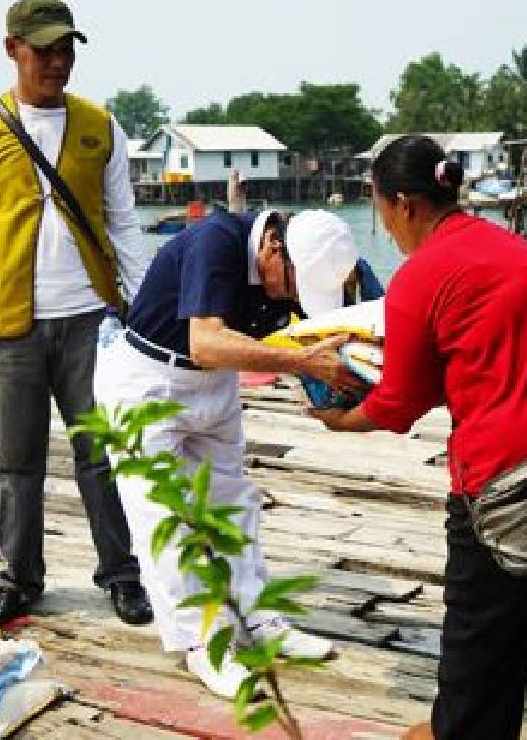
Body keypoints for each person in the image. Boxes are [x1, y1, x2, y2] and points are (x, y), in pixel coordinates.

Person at [313, 135, 527, 739]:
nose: (385, 228)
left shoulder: (420, 276)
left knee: (483, 649)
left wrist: (343, 418)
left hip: (516, 480)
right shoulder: (511, 247)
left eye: (381, 212)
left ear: (404, 204)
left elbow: (398, 403)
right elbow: (490, 357)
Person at [0, 0, 153, 627]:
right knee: (15, 463)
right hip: (8, 325)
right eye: (44, 50)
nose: (58, 63)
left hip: (93, 321)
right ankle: (20, 578)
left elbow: (124, 223)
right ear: (12, 49)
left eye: (66, 50)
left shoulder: (99, 126)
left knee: (103, 453)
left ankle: (122, 573)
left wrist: (144, 307)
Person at [94, 208, 366, 699]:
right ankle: (202, 643)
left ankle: (255, 615)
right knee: (166, 518)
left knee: (235, 503)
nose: (289, 299)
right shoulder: (215, 240)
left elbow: (327, 330)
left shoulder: (302, 261)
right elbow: (206, 341)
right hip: (149, 381)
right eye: (292, 287)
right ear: (273, 249)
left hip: (215, 386)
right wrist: (302, 361)